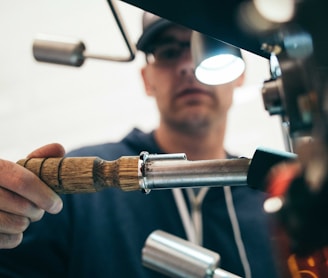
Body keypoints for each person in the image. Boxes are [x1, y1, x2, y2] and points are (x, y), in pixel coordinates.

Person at [0, 12, 278, 278]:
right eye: (169, 52)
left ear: (240, 74)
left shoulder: (271, 203)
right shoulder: (78, 190)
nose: (188, 65)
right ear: (147, 80)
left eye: (208, 49)